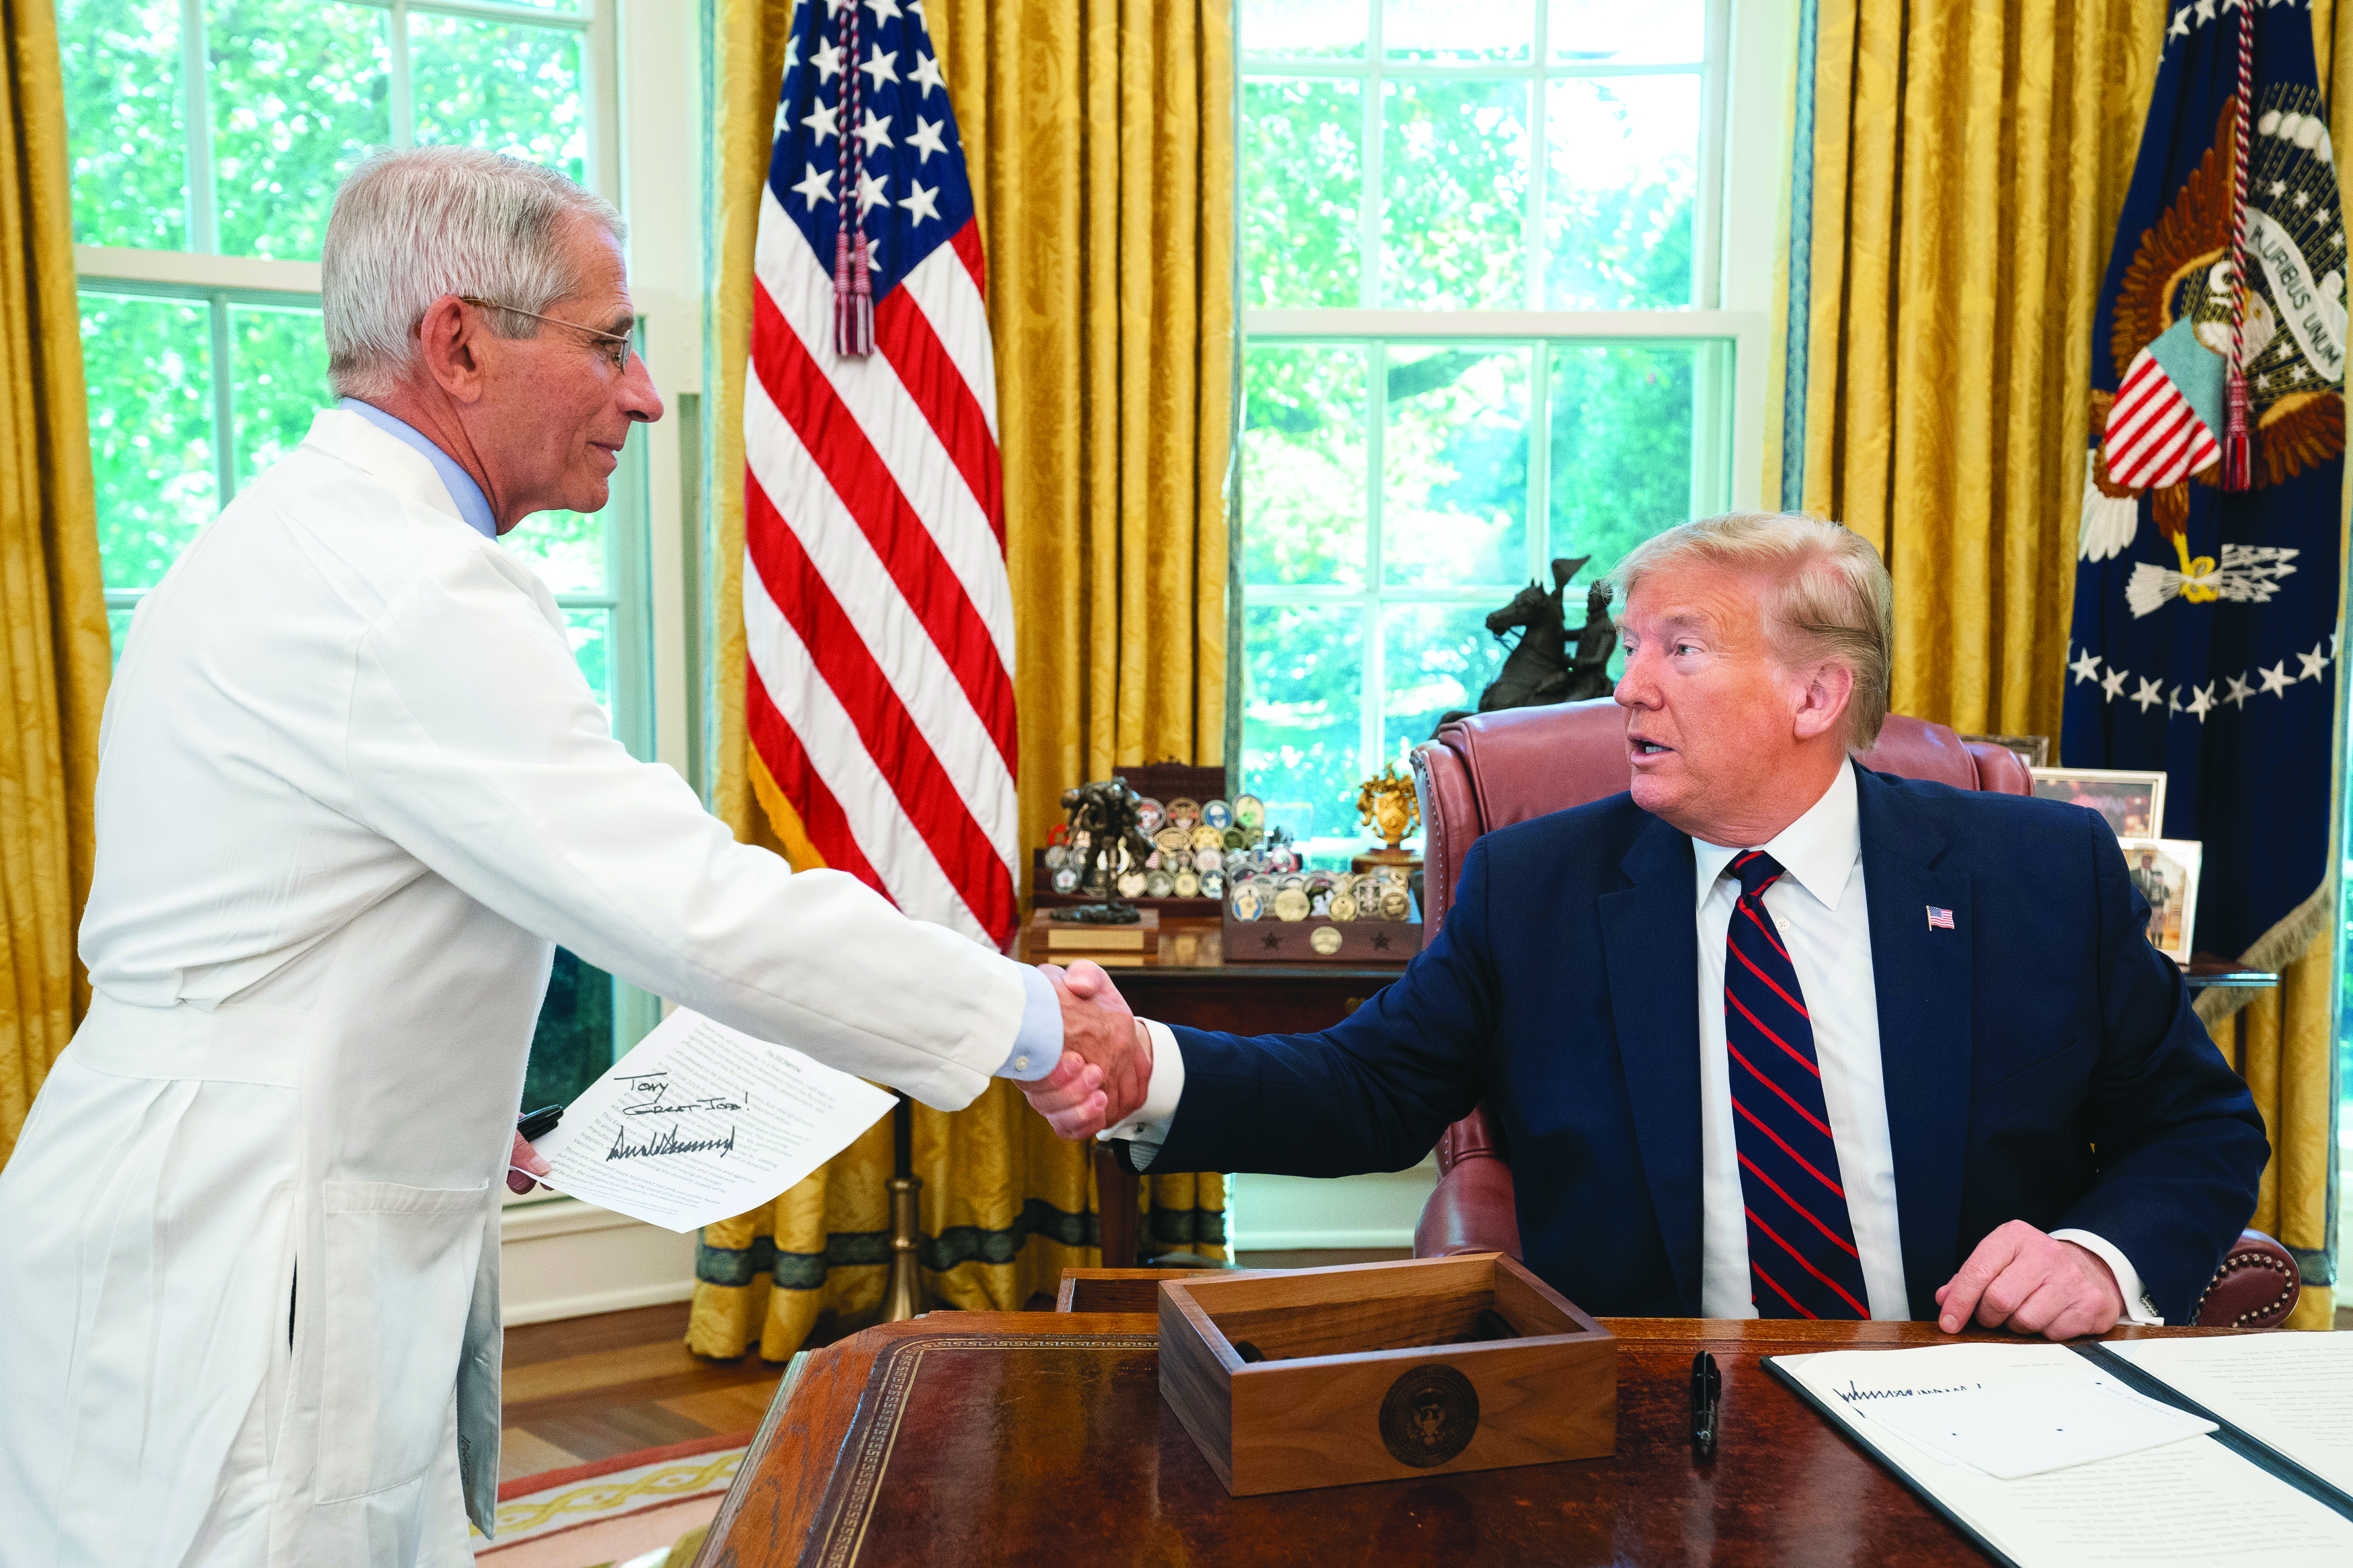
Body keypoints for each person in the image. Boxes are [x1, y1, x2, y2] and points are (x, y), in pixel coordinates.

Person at [0, 147, 1140, 1568]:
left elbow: (299, 932)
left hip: (218, 1192)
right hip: (245, 1242)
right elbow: (691, 908)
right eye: (610, 343)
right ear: (459, 341)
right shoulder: (399, 584)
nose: (649, 394)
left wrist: (463, 1106)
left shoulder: (317, 535)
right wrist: (1036, 1024)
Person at [1028, 512, 2266, 1342]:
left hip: (1971, 1388)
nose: (1627, 685)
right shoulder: (1540, 888)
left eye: (1681, 648)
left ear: (1816, 694)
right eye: (1630, 645)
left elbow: (2197, 1125)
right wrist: (1150, 1067)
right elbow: (1368, 1087)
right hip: (1657, 1405)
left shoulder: (2035, 872)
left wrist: (2101, 1257)